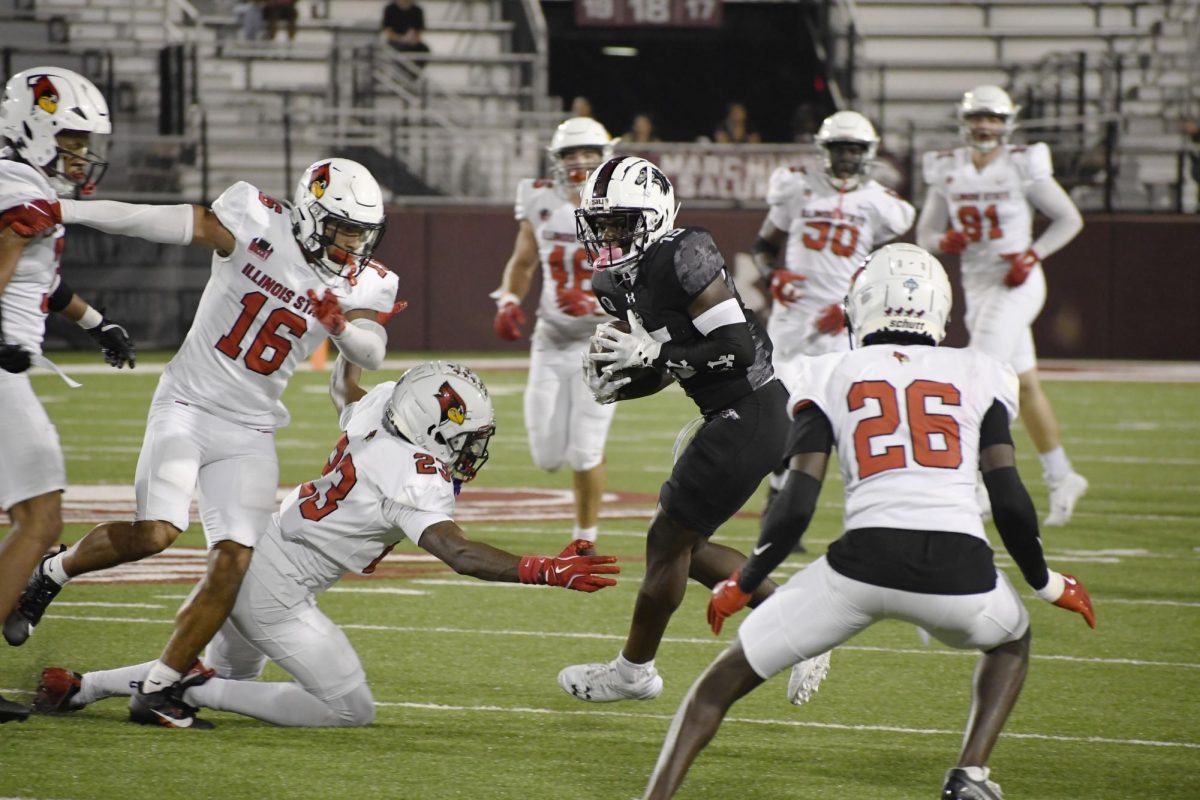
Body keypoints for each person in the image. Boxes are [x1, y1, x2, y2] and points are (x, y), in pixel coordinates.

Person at [639, 243, 1097, 800]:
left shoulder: (828, 369)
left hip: (858, 570)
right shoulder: (983, 370)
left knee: (714, 689)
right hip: (961, 574)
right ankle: (970, 773)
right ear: (940, 309)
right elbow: (1009, 499)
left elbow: (796, 503)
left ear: (861, 306)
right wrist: (1048, 584)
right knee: (1012, 641)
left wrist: (747, 581)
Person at [4, 157, 402, 729]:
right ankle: (52, 573)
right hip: (188, 405)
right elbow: (156, 218)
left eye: (362, 234)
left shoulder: (366, 281)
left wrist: (338, 326)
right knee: (155, 534)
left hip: (252, 427)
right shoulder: (256, 220)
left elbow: (372, 351)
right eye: (344, 231)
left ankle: (159, 690)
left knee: (235, 561)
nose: (353, 246)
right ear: (313, 216)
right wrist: (65, 209)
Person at [31, 358, 619, 728]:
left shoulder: (384, 407)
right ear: (431, 429)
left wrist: (348, 342)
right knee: (349, 708)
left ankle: (82, 688)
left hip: (260, 547)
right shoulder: (412, 472)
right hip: (274, 590)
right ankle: (193, 692)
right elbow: (458, 553)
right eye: (464, 438)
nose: (469, 452)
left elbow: (345, 389)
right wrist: (544, 569)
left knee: (215, 673)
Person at [556, 155, 794, 703]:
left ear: (655, 215)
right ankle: (792, 618)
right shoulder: (612, 281)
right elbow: (669, 369)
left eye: (621, 222)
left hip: (752, 407)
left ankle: (632, 672)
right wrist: (620, 382)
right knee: (684, 544)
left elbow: (734, 350)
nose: (609, 235)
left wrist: (655, 350)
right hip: (731, 414)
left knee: (668, 540)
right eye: (602, 224)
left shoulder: (685, 253)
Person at [0, 66, 137, 724]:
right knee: (41, 522)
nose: (83, 155)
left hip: (11, 367)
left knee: (33, 519)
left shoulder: (22, 184)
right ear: (36, 125)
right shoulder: (19, 187)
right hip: (1, 369)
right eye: (73, 138)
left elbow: (40, 280)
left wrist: (94, 321)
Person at [916, 85, 1087, 526]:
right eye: (977, 118)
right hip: (977, 285)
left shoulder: (1021, 164)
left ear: (1007, 122)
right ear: (965, 121)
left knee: (978, 378)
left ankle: (975, 485)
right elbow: (926, 234)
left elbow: (1070, 218)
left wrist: (1033, 254)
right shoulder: (948, 167)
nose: (984, 126)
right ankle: (1062, 475)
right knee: (1025, 386)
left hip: (1018, 283)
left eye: (992, 118)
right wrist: (942, 241)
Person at [752, 110, 914, 549]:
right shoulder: (796, 186)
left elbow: (886, 269)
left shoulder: (884, 204)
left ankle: (859, 518)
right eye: (839, 148)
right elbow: (764, 246)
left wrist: (847, 308)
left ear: (868, 154)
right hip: (791, 318)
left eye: (853, 149)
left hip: (842, 323)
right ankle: (777, 508)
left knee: (843, 420)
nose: (845, 157)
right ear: (825, 151)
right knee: (782, 413)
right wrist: (774, 277)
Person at [491, 117, 618, 552]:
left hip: (605, 342)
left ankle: (585, 538)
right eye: (570, 154)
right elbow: (523, 262)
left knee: (584, 450)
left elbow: (639, 281)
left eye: (588, 153)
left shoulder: (623, 201)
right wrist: (508, 299)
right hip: (551, 338)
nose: (580, 161)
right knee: (547, 458)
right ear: (557, 160)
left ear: (606, 156)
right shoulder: (540, 197)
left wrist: (601, 304)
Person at [382, 0, 430, 75]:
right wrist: (402, 38)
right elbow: (389, 33)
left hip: (412, 42)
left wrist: (413, 39)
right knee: (400, 49)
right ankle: (400, 75)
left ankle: (414, 75)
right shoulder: (390, 9)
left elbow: (419, 33)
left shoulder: (417, 10)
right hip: (395, 42)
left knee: (424, 49)